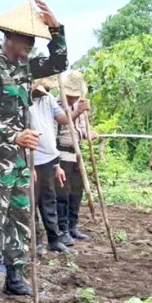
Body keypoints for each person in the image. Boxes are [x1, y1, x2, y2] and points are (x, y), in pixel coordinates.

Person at [0, 0, 68, 301]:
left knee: (21, 220)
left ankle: (15, 279)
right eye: (27, 39)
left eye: (35, 40)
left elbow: (59, 63)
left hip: (20, 161)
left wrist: (56, 29)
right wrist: (15, 135)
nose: (31, 46)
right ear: (9, 37)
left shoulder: (26, 67)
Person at [30, 76, 86, 254]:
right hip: (32, 158)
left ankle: (53, 239)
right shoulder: (22, 102)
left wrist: (77, 111)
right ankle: (36, 240)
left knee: (49, 200)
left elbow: (63, 118)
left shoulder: (48, 100)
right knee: (32, 202)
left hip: (49, 158)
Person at [56, 70, 96, 245]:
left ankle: (73, 227)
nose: (72, 99)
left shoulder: (81, 106)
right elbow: (62, 123)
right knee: (62, 194)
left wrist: (89, 133)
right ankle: (62, 229)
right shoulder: (57, 104)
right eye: (70, 95)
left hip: (76, 154)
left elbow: (80, 130)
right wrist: (77, 112)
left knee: (76, 193)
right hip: (61, 154)